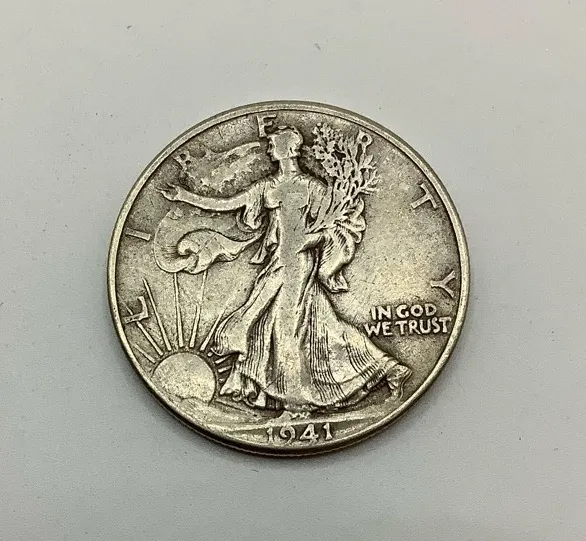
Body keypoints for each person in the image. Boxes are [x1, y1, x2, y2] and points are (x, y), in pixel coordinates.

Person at [161, 126, 411, 417]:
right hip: (278, 261)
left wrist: (312, 239)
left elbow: (339, 224)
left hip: (299, 263)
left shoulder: (312, 187)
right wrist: (184, 196)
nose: (269, 149)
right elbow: (228, 204)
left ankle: (296, 402)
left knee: (284, 328)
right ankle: (385, 368)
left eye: (273, 144)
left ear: (290, 149)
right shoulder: (267, 187)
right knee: (313, 323)